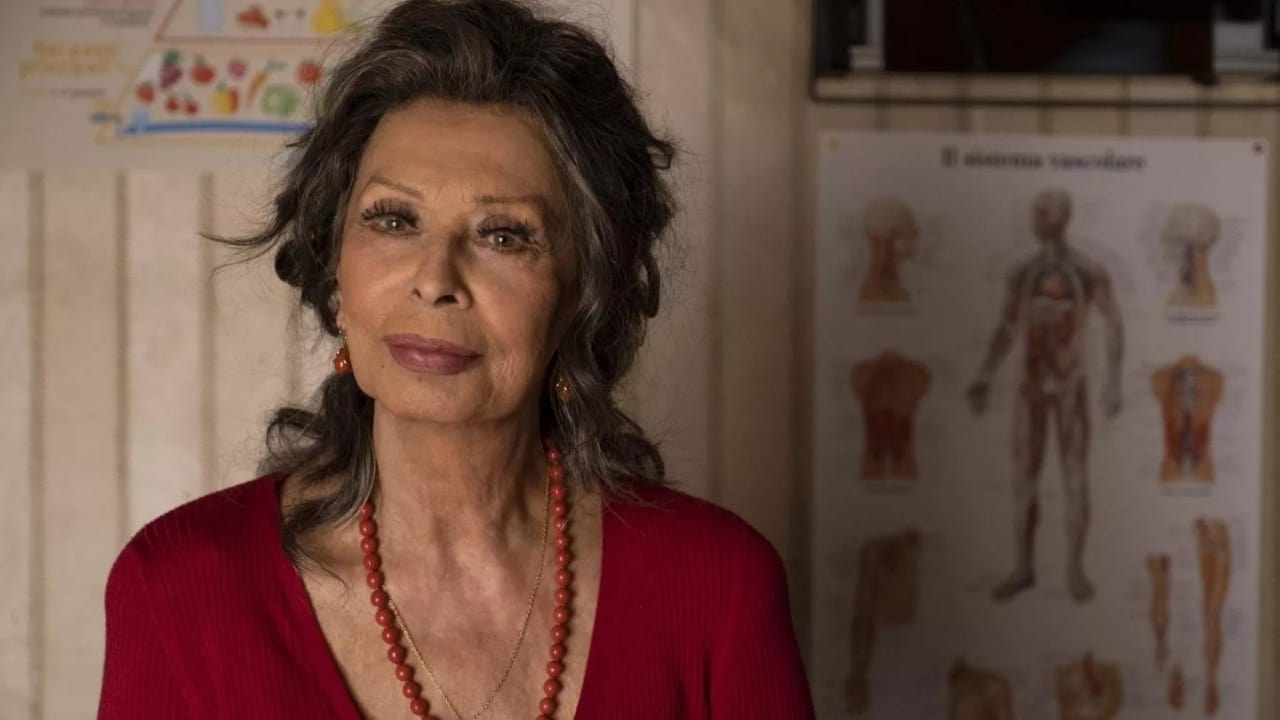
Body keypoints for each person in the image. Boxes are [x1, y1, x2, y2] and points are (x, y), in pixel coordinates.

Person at [96, 1, 815, 718]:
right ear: (334, 267)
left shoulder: (720, 589)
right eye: (393, 219)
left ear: (586, 292)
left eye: (504, 235)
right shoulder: (178, 588)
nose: (436, 279)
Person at [966, 189, 1124, 604]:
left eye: (1044, 212)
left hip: (1070, 385)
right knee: (1024, 480)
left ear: (1063, 217)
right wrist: (985, 374)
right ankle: (1023, 568)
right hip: (1030, 386)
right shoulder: (1022, 273)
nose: (1036, 219)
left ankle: (1075, 569)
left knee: (1074, 477)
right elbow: (1007, 327)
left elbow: (1114, 322)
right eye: (1035, 211)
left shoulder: (1088, 270)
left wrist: (1114, 380)